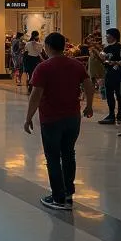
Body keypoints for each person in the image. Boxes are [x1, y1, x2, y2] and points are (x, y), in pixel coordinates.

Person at [24, 32, 94, 211]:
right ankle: (68, 194)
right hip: (72, 118)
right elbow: (88, 86)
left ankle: (58, 198)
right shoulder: (76, 65)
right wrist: (89, 106)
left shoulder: (43, 67)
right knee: (69, 154)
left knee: (53, 158)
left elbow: (35, 95)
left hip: (51, 119)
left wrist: (28, 117)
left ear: (47, 47)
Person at [96, 27, 121, 125]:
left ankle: (120, 112)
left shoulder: (120, 48)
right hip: (109, 73)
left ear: (114, 37)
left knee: (119, 94)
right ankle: (111, 114)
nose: (107, 38)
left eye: (108, 36)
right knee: (109, 94)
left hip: (118, 74)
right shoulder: (106, 48)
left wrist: (115, 65)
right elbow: (104, 62)